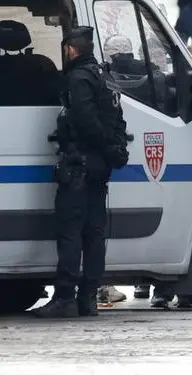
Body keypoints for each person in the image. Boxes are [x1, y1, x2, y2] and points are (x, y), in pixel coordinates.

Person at [33, 26, 129, 318]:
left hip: (80, 163)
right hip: (99, 165)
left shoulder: (78, 78)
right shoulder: (102, 76)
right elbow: (116, 118)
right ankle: (88, 297)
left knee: (71, 230)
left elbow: (85, 120)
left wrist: (101, 147)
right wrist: (113, 150)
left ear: (70, 50)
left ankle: (65, 297)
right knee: (94, 232)